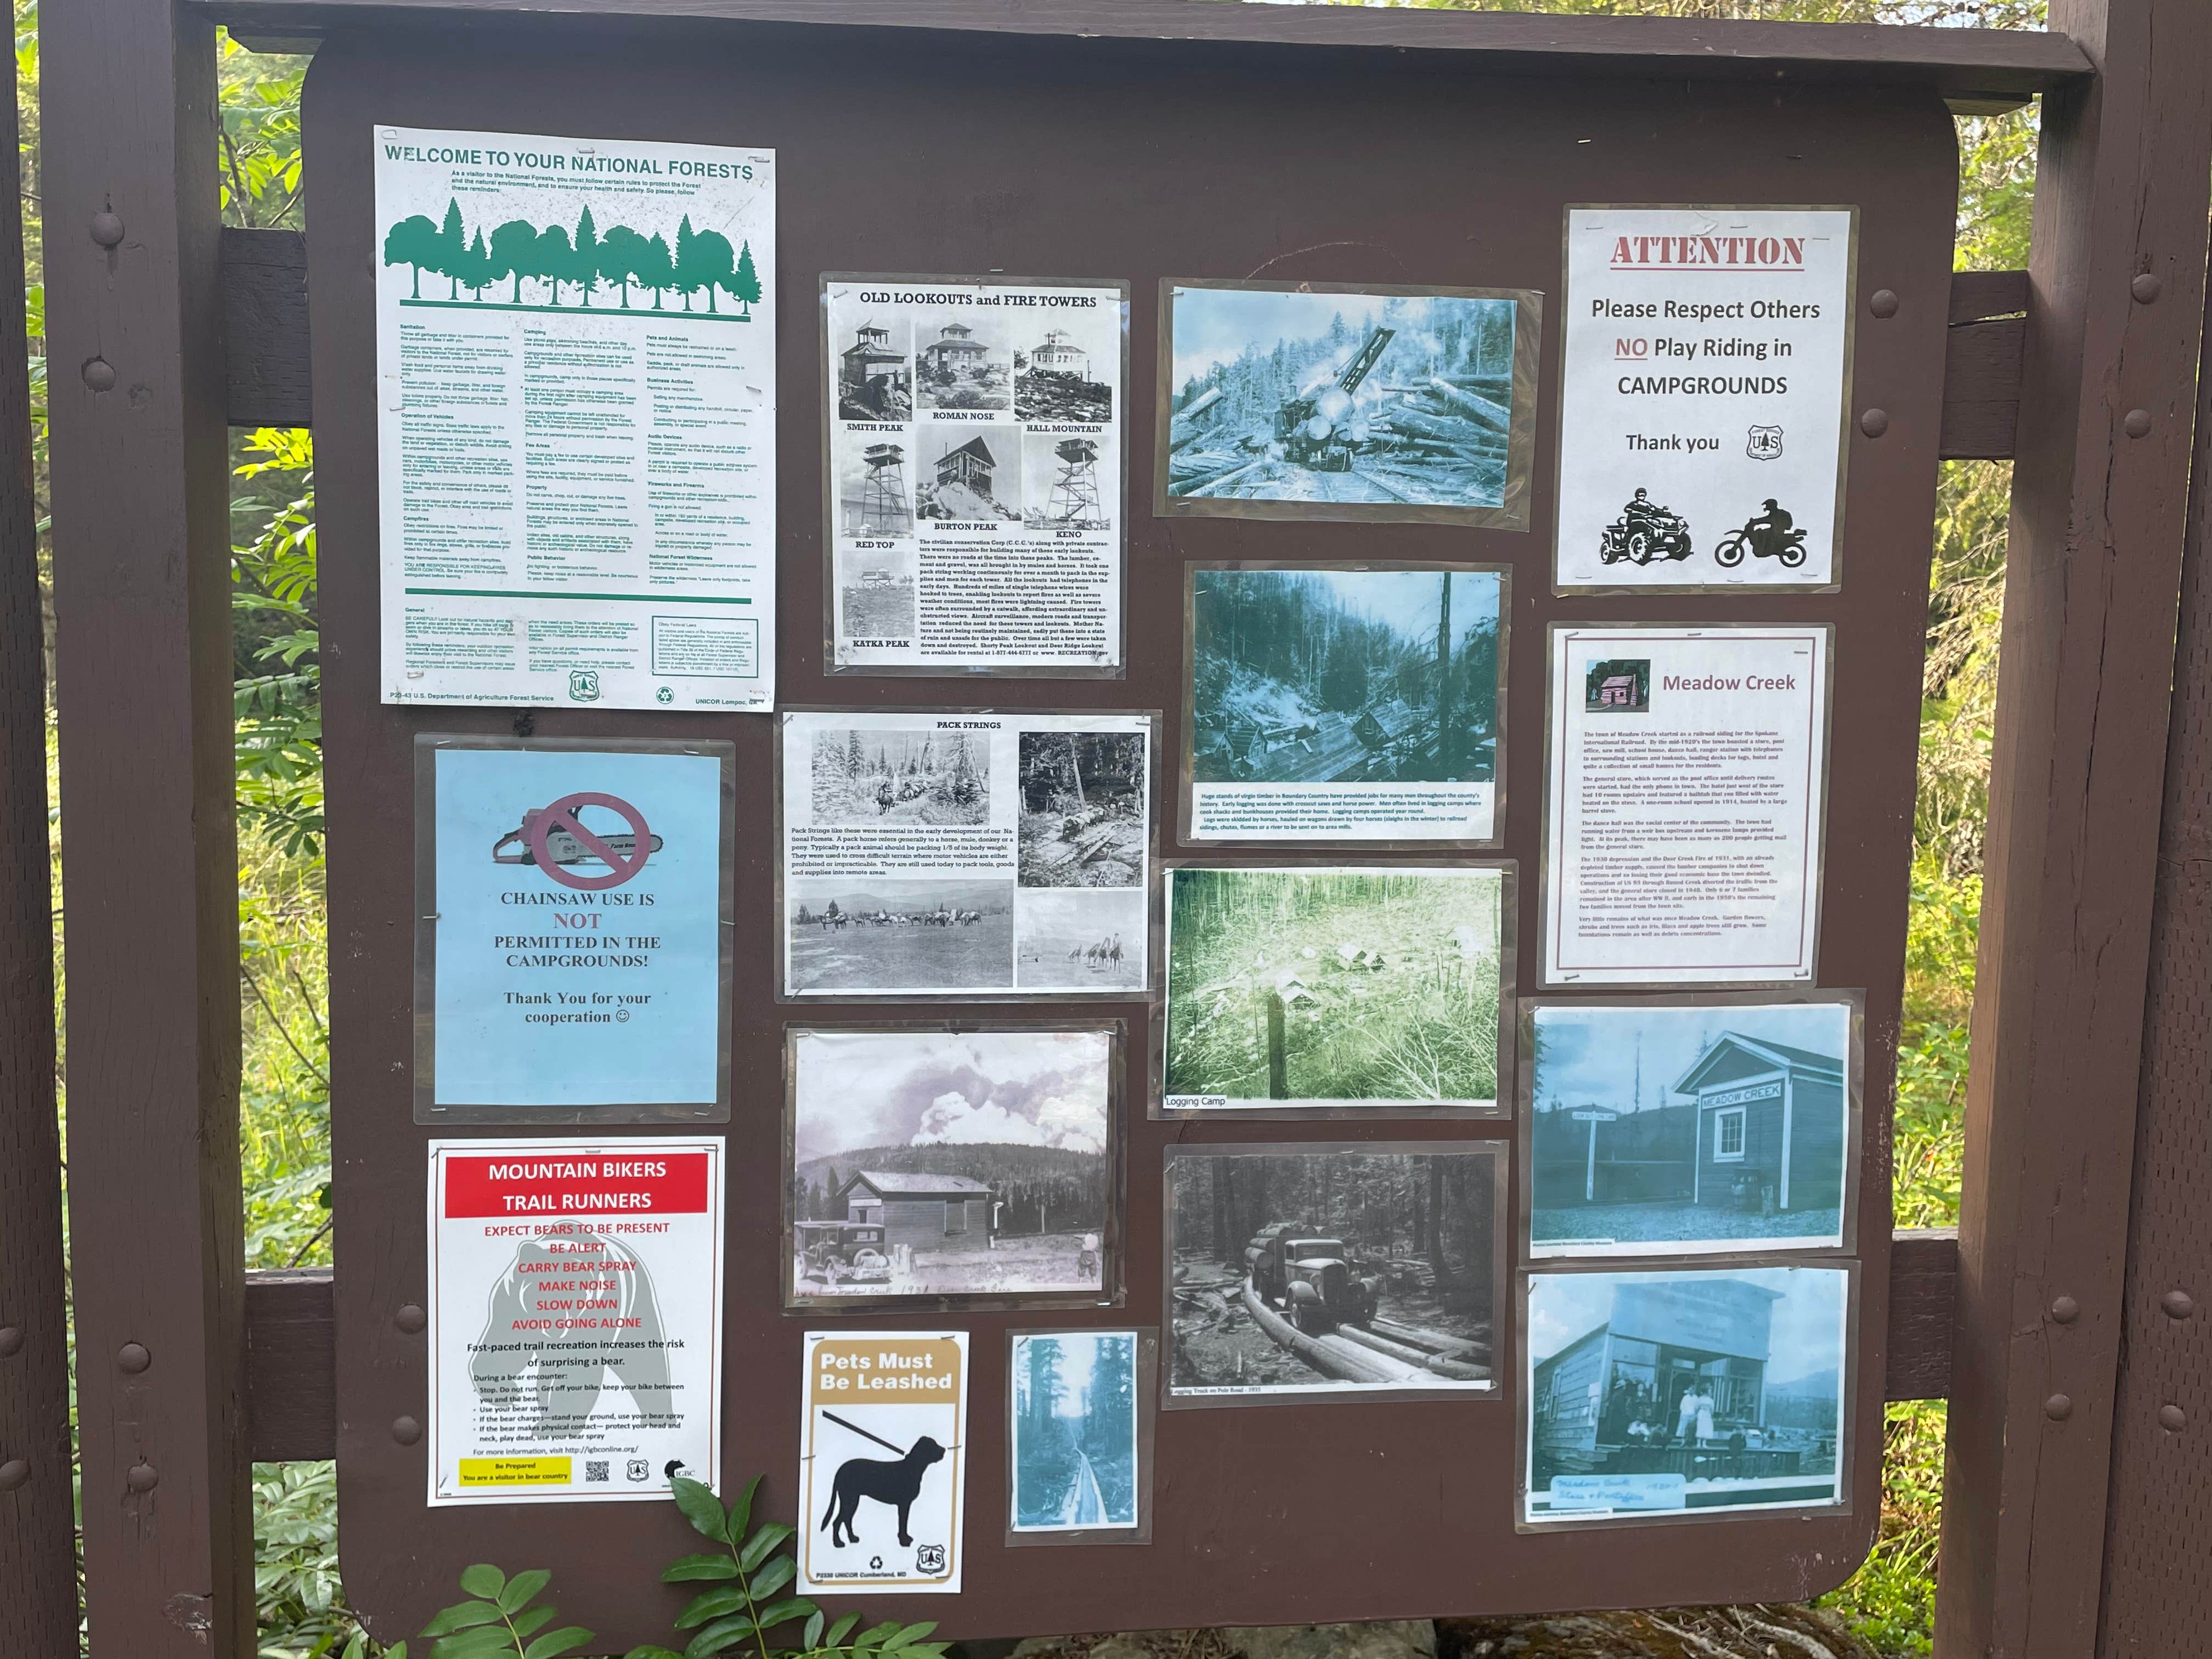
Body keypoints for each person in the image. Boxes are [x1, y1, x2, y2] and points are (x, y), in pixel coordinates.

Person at [1746, 496, 1796, 560]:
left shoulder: (1776, 514)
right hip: (1777, 530)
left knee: (1762, 533)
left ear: (1771, 506)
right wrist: (1756, 521)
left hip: (1777, 531)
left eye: (1767, 505)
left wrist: (1755, 522)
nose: (1766, 507)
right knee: (1761, 532)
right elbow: (1766, 519)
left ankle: (1762, 550)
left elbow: (1767, 520)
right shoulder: (1776, 513)